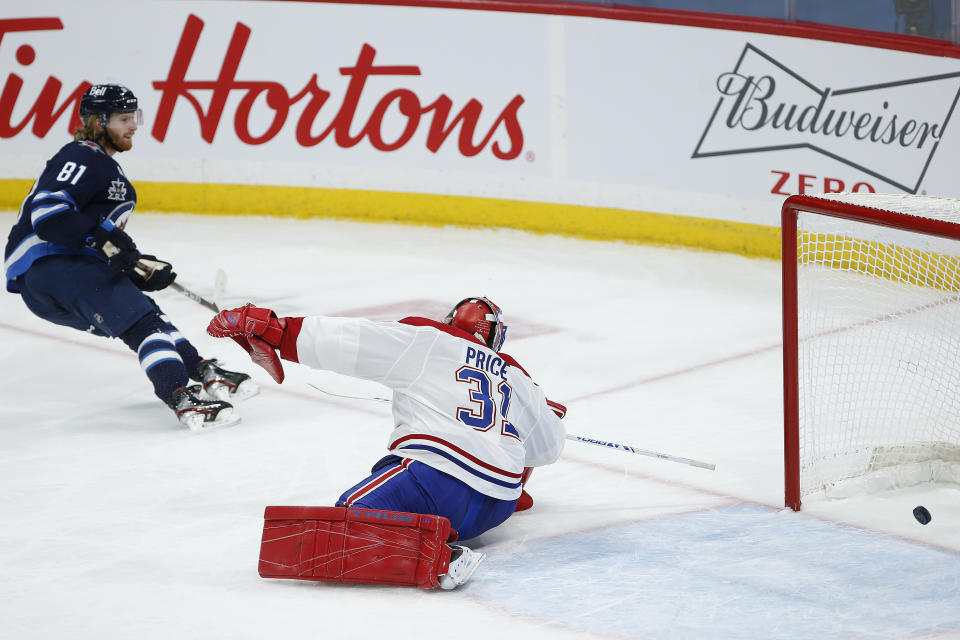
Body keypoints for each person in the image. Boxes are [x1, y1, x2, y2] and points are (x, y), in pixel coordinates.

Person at [206, 296, 567, 589]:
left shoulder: (430, 338)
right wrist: (539, 415)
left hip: (438, 482)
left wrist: (278, 330)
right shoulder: (517, 376)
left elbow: (356, 340)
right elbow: (547, 449)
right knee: (374, 513)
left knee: (349, 515)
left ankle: (442, 557)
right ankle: (443, 539)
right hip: (495, 508)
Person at [3, 84, 256, 430]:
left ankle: (201, 370)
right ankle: (183, 399)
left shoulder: (103, 165)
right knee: (144, 325)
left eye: (134, 116)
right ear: (97, 121)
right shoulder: (82, 155)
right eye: (124, 118)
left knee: (147, 314)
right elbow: (48, 215)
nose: (134, 125)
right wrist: (104, 242)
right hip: (51, 265)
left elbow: (97, 236)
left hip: (58, 275)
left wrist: (136, 264)